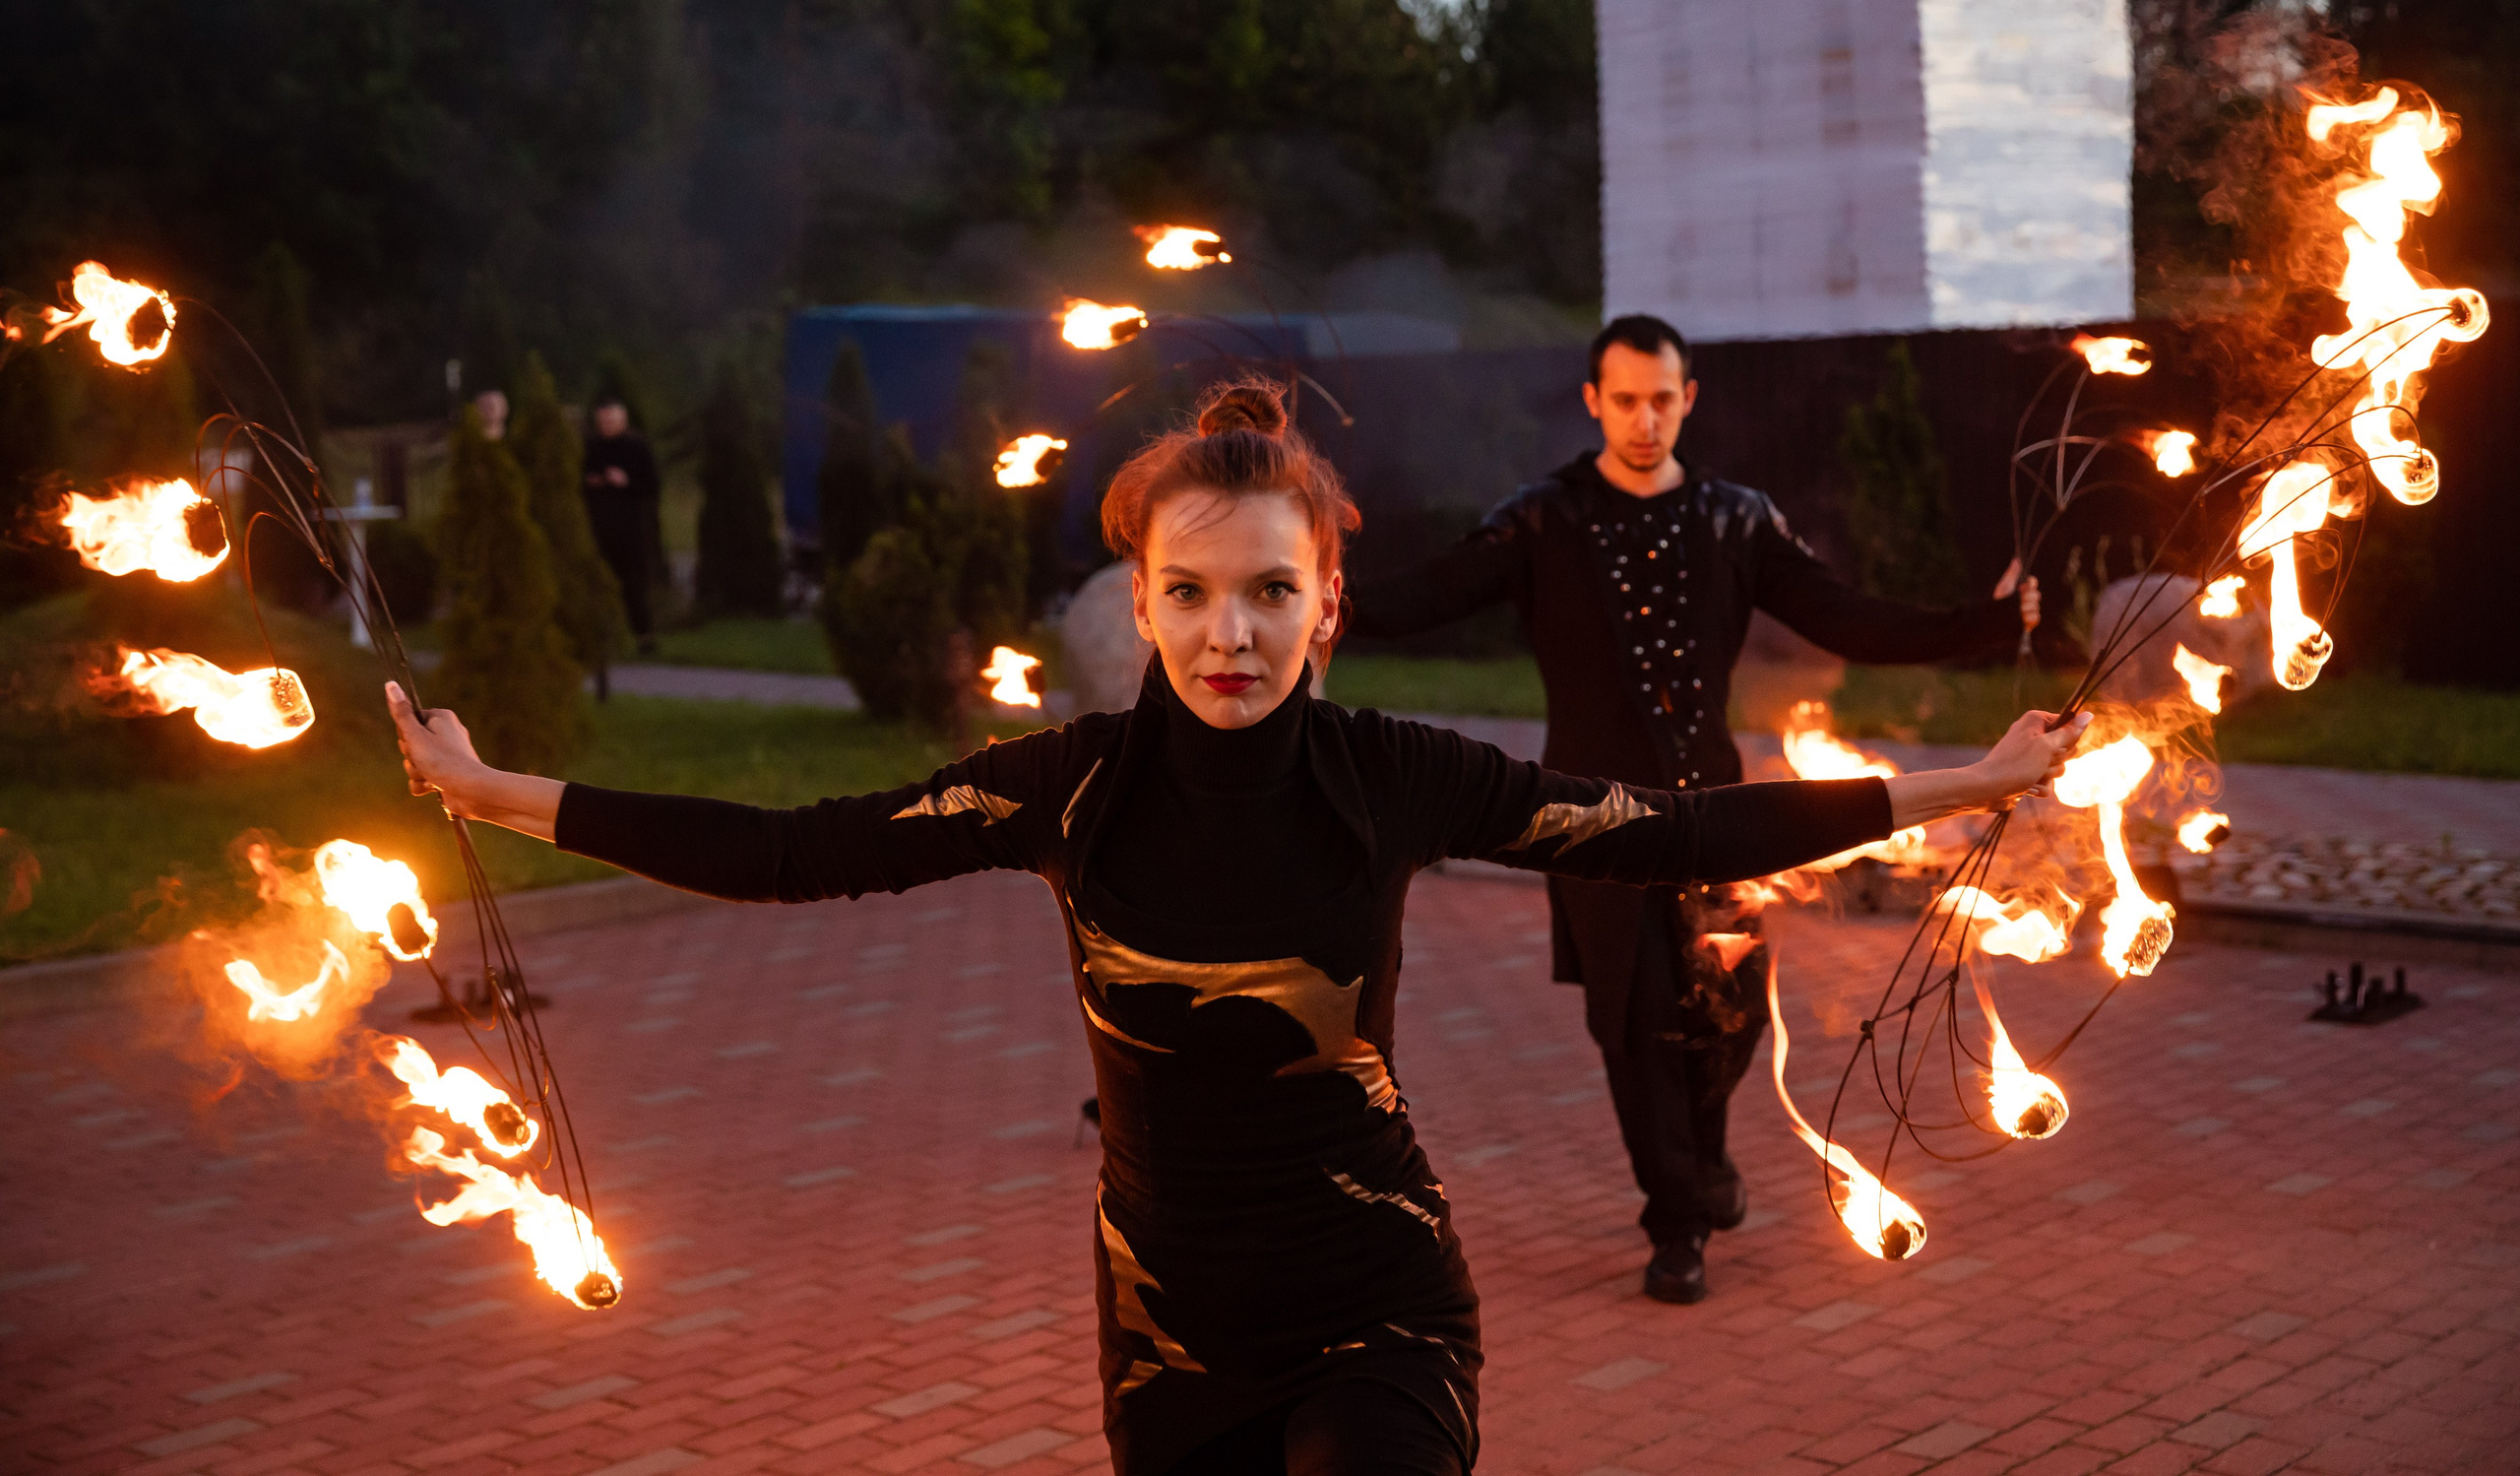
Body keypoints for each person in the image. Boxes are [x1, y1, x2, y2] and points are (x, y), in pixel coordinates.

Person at [387, 379, 2083, 1476]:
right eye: (1190, 593)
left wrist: (1962, 780)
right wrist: (509, 795)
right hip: (1168, 1338)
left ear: (1327, 602)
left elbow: (1678, 828)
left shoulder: (1393, 774)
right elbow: (793, 850)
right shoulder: (1070, 788)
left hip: (1379, 1311)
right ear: (1141, 606)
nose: (1230, 631)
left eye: (1271, 590)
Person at [1345, 315, 2041, 1307]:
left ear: (1688, 398)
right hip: (1586, 817)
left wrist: (1981, 620)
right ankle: (1675, 1223)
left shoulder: (1735, 519)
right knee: (1633, 1030)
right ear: (1593, 402)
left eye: (1661, 399)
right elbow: (1426, 595)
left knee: (1729, 1019)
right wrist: (1315, 594)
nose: (1643, 419)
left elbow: (1844, 615)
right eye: (1623, 400)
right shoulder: (1542, 519)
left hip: (1719, 814)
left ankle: (1705, 1169)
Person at [581, 397, 661, 654]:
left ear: (623, 420)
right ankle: (601, 636)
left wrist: (626, 481)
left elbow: (652, 486)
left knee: (634, 584)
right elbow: (578, 480)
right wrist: (591, 482)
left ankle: (644, 636)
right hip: (598, 526)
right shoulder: (591, 447)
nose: (607, 424)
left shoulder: (636, 447)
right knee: (598, 584)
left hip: (630, 528)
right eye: (603, 420)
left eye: (612, 419)